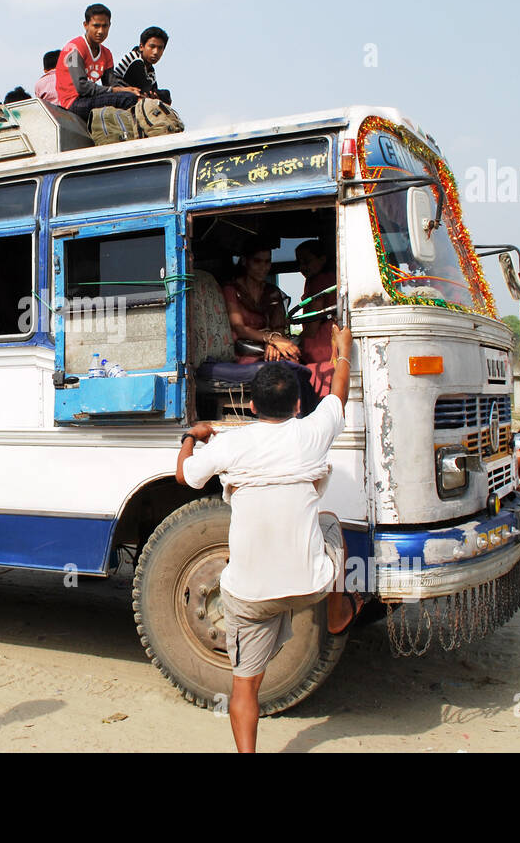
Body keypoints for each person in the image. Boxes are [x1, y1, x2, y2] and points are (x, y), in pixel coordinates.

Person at [177, 325, 358, 753]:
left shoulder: (231, 445)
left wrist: (192, 436)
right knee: (331, 523)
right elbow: (339, 395)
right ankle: (336, 610)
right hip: (309, 584)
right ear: (298, 405)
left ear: (252, 405)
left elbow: (185, 476)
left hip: (249, 597)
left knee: (245, 691)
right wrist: (342, 352)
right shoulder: (311, 433)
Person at [54, 3, 141, 121]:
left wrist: (134, 91)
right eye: (96, 26)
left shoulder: (106, 54)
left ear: (110, 26)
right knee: (126, 99)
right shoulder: (73, 49)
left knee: (137, 98)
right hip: (72, 103)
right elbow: (82, 87)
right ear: (86, 25)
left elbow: (111, 84)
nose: (100, 31)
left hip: (90, 99)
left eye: (105, 26)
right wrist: (117, 90)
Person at [223, 240, 300, 364]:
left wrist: (274, 344)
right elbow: (239, 329)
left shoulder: (272, 292)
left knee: (293, 362)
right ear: (244, 261)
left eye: (267, 262)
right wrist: (271, 339)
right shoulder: (231, 290)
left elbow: (279, 327)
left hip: (270, 345)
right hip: (243, 350)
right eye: (257, 261)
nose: (263, 267)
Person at [294, 239, 337, 399]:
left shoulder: (319, 282)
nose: (302, 267)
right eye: (299, 263)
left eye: (307, 261)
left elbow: (311, 328)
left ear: (322, 259)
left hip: (322, 346)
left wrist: (293, 341)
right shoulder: (332, 278)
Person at [113, 26, 172, 104]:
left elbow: (160, 97)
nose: (156, 52)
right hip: (116, 100)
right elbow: (145, 90)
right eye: (152, 46)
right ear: (141, 47)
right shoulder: (134, 59)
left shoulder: (151, 71)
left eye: (160, 48)